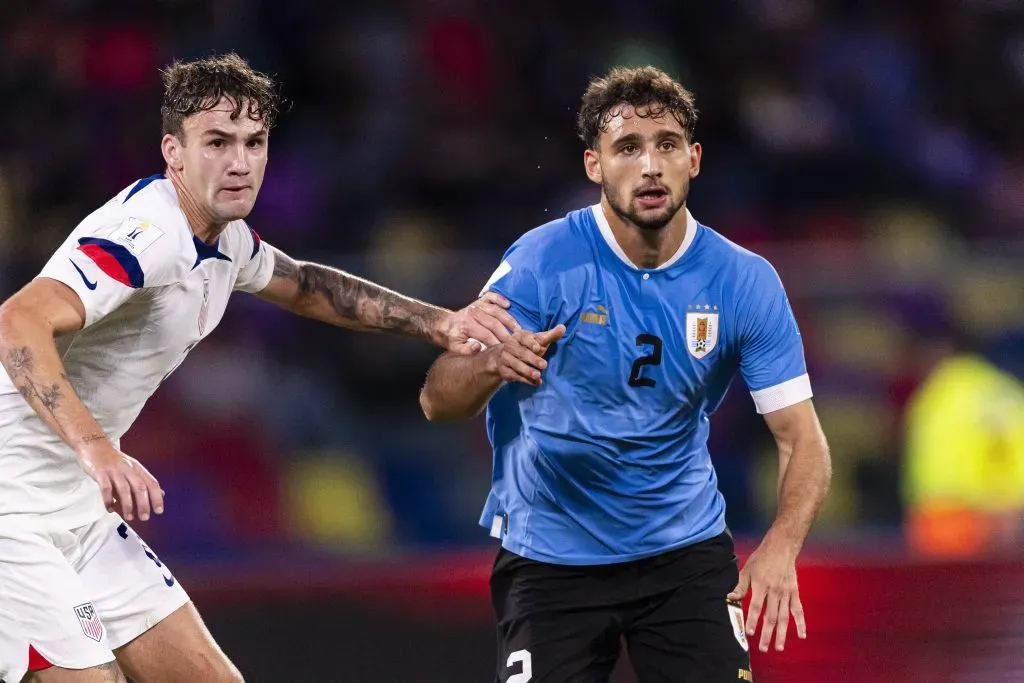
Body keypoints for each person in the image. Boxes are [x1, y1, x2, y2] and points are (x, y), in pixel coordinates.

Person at [0, 53, 515, 683]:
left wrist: (437, 322)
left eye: (254, 142)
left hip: (78, 511)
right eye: (217, 142)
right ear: (174, 151)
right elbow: (16, 321)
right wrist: (98, 451)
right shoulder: (146, 233)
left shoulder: (224, 239)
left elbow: (303, 285)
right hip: (10, 513)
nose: (240, 161)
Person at [420, 66, 832, 683]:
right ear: (594, 165)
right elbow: (436, 398)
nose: (650, 166)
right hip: (549, 559)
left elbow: (803, 440)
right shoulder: (539, 262)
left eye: (667, 145)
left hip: (684, 556)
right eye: (627, 148)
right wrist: (487, 364)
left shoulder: (744, 281)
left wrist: (781, 546)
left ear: (693, 159)